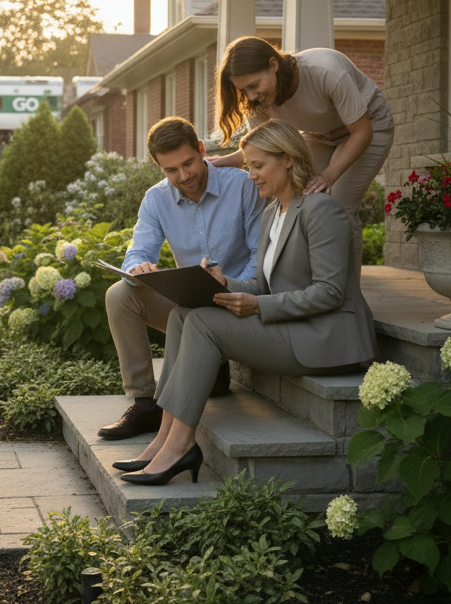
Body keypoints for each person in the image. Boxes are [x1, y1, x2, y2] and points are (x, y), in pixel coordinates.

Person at [117, 120, 376, 485]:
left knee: (203, 323)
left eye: (257, 165)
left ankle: (180, 445)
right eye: (249, 166)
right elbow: (262, 283)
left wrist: (258, 307)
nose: (250, 175)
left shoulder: (321, 210)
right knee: (184, 314)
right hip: (291, 328)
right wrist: (225, 283)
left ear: (287, 160)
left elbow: (330, 292)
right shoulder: (273, 211)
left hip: (324, 340)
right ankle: (163, 438)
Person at [96, 116, 263, 441]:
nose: (183, 176)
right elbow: (138, 250)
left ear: (201, 150)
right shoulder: (156, 199)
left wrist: (233, 288)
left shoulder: (242, 185)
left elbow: (260, 256)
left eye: (188, 163)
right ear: (159, 168)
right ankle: (145, 405)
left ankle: (212, 365)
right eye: (171, 170)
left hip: (238, 302)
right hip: (190, 308)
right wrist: (138, 267)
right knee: (120, 294)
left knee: (200, 325)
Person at [209, 37, 394, 276]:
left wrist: (327, 176)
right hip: (319, 135)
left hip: (368, 127)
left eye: (254, 85)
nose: (251, 95)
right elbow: (259, 148)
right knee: (297, 199)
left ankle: (347, 303)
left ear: (273, 64)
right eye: (244, 90)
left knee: (336, 204)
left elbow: (362, 132)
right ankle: (308, 290)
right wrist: (221, 161)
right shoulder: (258, 101)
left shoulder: (325, 70)